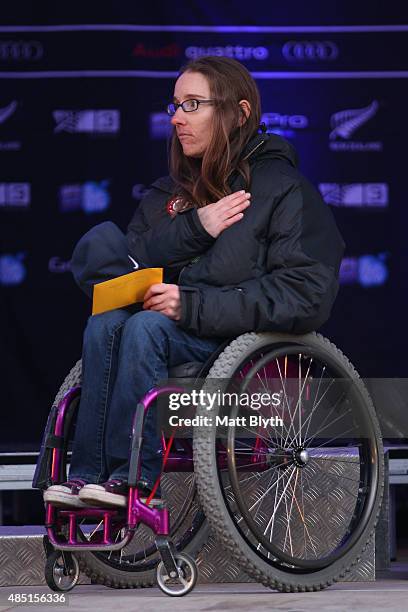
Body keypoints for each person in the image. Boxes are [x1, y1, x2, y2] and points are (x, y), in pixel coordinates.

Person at [43, 56, 345, 509]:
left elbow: (306, 293)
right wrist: (196, 227)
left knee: (145, 329)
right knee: (105, 325)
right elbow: (133, 258)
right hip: (170, 336)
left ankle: (131, 482)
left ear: (238, 113)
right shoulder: (168, 194)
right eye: (176, 105)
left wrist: (191, 305)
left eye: (193, 105)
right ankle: (85, 478)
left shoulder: (282, 190)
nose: (176, 118)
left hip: (233, 341)